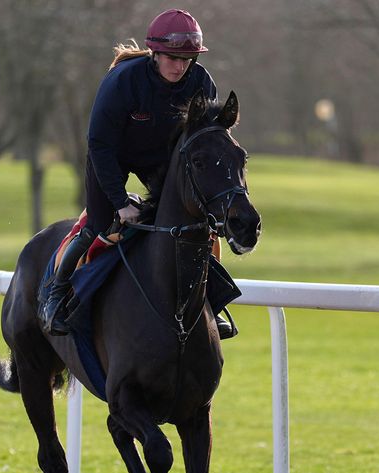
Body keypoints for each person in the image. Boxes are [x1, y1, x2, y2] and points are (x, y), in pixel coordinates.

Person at [39, 8, 237, 339]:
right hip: (111, 156)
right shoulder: (122, 82)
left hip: (161, 161)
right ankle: (56, 294)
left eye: (187, 59)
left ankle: (209, 303)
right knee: (101, 225)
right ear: (155, 53)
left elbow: (205, 140)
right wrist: (119, 201)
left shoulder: (202, 82)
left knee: (197, 225)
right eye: (173, 58)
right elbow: (100, 145)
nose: (180, 67)